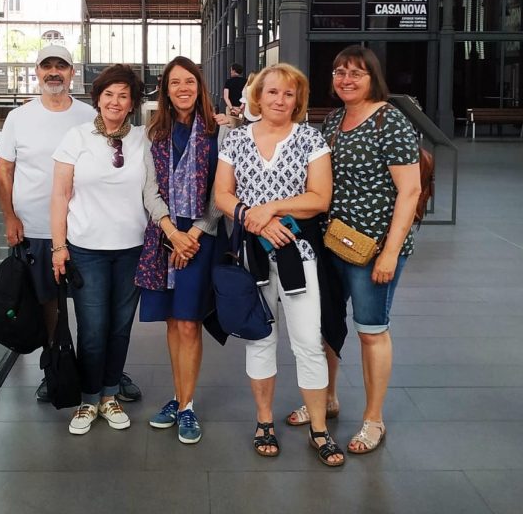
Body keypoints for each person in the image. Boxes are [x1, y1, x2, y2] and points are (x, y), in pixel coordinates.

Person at [284, 45, 421, 455]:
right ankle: (324, 398)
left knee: (370, 330)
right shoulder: (333, 120)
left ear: (372, 77)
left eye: (356, 73)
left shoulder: (390, 122)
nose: (346, 79)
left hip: (372, 248)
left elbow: (409, 191)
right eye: (340, 72)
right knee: (326, 325)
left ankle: (373, 419)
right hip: (329, 242)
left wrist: (390, 252)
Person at [214, 63, 344, 467]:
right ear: (258, 96)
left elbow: (319, 198)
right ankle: (264, 421)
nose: (280, 100)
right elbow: (222, 193)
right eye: (272, 92)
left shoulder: (310, 139)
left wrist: (269, 210)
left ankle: (318, 428)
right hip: (251, 253)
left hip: (298, 251)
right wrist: (250, 216)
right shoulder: (235, 141)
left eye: (289, 94)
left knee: (308, 342)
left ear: (298, 100)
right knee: (260, 338)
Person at [0, 45, 96, 403]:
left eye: (61, 66)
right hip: (34, 228)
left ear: (72, 73)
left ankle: (97, 369)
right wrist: (9, 215)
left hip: (82, 226)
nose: (54, 73)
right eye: (47, 66)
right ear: (36, 72)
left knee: (90, 303)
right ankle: (53, 366)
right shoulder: (18, 118)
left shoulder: (88, 115)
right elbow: (3, 170)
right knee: (45, 303)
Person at [50, 64, 148, 435]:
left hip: (131, 248)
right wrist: (59, 247)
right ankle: (88, 399)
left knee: (121, 327)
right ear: (98, 98)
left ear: (132, 103)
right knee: (92, 328)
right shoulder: (75, 138)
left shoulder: (143, 138)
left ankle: (110, 395)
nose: (115, 101)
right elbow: (59, 196)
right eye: (109, 94)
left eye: (123, 95)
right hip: (86, 248)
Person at [137, 57, 223, 445]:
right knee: (172, 323)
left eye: (189, 81)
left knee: (189, 322)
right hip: (165, 235)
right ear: (166, 90)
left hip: (201, 237)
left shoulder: (218, 132)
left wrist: (195, 235)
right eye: (175, 83)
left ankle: (188, 407)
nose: (183, 88)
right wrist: (172, 231)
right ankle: (177, 396)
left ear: (199, 86)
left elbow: (222, 194)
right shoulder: (154, 134)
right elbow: (149, 190)